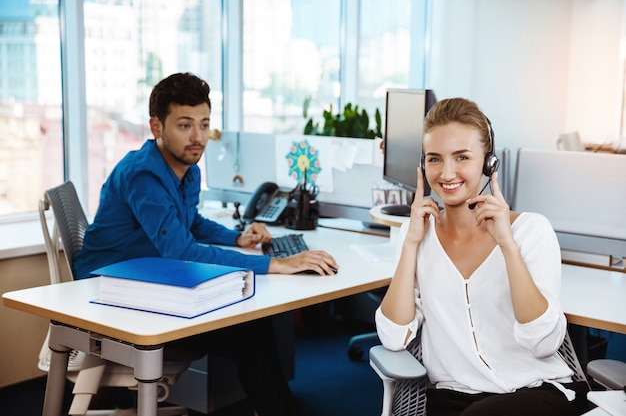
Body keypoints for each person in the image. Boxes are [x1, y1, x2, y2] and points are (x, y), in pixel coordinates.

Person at [74, 72, 339, 416]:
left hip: (148, 280)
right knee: (251, 331)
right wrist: (276, 264)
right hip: (110, 297)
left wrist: (236, 238)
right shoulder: (144, 175)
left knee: (254, 320)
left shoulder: (187, 166)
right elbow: (181, 252)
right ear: (157, 128)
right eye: (185, 125)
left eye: (204, 124)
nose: (198, 137)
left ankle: (274, 406)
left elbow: (191, 222)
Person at [375, 97, 589, 416]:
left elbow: (543, 343)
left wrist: (507, 245)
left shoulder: (531, 230)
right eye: (435, 159)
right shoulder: (417, 235)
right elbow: (393, 338)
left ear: (489, 163)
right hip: (453, 397)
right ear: (423, 165)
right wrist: (410, 244)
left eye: (462, 157)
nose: (447, 173)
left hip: (536, 391)